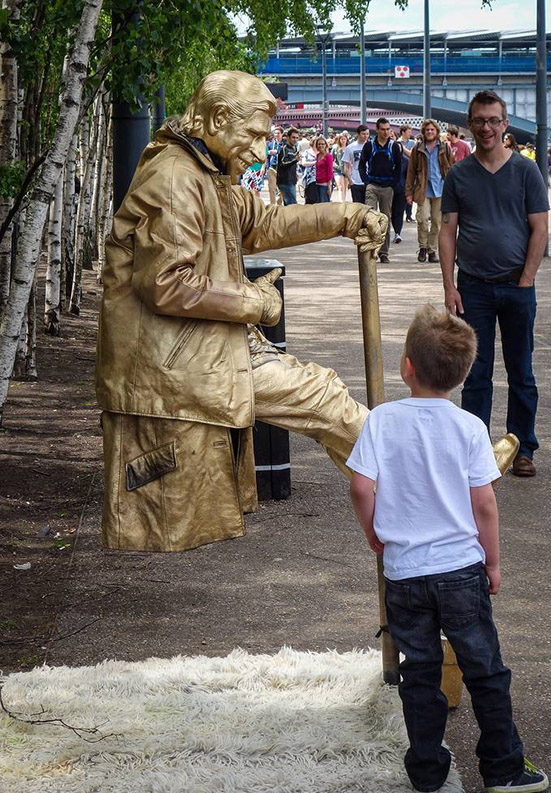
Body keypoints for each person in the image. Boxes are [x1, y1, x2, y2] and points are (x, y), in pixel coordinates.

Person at [96, 69, 388, 552]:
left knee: (326, 400)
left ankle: (423, 481)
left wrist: (345, 215)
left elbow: (266, 220)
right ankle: (433, 483)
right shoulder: (175, 178)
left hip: (201, 349)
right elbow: (166, 283)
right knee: (324, 400)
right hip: (183, 360)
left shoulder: (209, 173)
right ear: (217, 118)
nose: (258, 150)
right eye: (252, 135)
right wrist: (257, 303)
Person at [347, 304, 549, 793]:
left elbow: (359, 487)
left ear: (406, 366)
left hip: (404, 571)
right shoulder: (469, 428)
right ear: (463, 375)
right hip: (461, 569)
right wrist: (493, 561)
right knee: (485, 668)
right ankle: (503, 768)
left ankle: (427, 768)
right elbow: (484, 504)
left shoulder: (382, 420)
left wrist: (374, 531)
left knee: (419, 671)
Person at [440, 89, 549, 478]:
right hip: (474, 288)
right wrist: (450, 286)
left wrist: (527, 278)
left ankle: (523, 447)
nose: (486, 127)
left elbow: (540, 228)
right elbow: (447, 231)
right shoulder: (459, 174)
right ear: (469, 125)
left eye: (493, 120)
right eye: (479, 120)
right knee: (476, 373)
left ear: (505, 125)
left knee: (521, 370)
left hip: (517, 287)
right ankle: (476, 450)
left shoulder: (525, 171)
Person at [405, 118, 453, 263]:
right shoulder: (418, 148)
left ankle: (432, 250)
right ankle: (423, 247)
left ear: (437, 131)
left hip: (440, 189)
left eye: (432, 130)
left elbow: (451, 169)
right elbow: (411, 171)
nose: (430, 132)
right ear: (424, 132)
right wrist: (408, 192)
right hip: (423, 190)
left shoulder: (445, 147)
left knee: (437, 223)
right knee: (422, 219)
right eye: (427, 130)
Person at [359, 118, 402, 264]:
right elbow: (361, 165)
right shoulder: (369, 146)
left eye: (388, 129)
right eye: (383, 129)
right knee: (370, 218)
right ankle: (371, 250)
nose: (386, 132)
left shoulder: (394, 146)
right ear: (377, 130)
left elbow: (399, 167)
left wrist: (393, 183)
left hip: (387, 187)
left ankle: (384, 252)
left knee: (386, 219)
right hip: (372, 185)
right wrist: (366, 181)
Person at [342, 124, 370, 204]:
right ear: (358, 134)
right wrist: (350, 181)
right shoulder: (350, 147)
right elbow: (345, 165)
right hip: (356, 181)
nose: (365, 136)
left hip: (369, 181)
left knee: (369, 207)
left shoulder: (371, 146)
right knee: (358, 207)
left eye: (367, 134)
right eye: (363, 134)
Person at [276, 127, 300, 205]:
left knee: (290, 205)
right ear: (288, 137)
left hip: (292, 180)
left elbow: (293, 165)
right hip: (285, 181)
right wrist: (295, 160)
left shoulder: (295, 148)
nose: (295, 139)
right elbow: (283, 164)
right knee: (292, 205)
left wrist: (295, 174)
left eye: (297, 138)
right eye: (293, 137)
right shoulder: (284, 149)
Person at [265, 127, 284, 205]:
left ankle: (279, 203)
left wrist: (276, 151)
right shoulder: (269, 144)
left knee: (282, 189)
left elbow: (285, 152)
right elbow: (266, 155)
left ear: (282, 134)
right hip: (272, 168)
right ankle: (272, 205)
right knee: (271, 188)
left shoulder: (284, 143)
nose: (276, 135)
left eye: (278, 133)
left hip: (282, 169)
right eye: (275, 133)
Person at [314, 136, 334, 203]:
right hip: (316, 183)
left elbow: (330, 171)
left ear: (326, 145)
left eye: (322, 144)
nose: (321, 145)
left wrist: (329, 187)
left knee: (324, 207)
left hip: (324, 185)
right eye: (319, 144)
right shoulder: (317, 155)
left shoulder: (328, 156)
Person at [332, 132, 350, 202]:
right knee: (340, 187)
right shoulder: (335, 148)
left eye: (344, 139)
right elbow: (332, 159)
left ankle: (344, 200)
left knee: (345, 187)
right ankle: (341, 202)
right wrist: (337, 166)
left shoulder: (349, 148)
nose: (343, 140)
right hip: (338, 170)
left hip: (347, 170)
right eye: (341, 139)